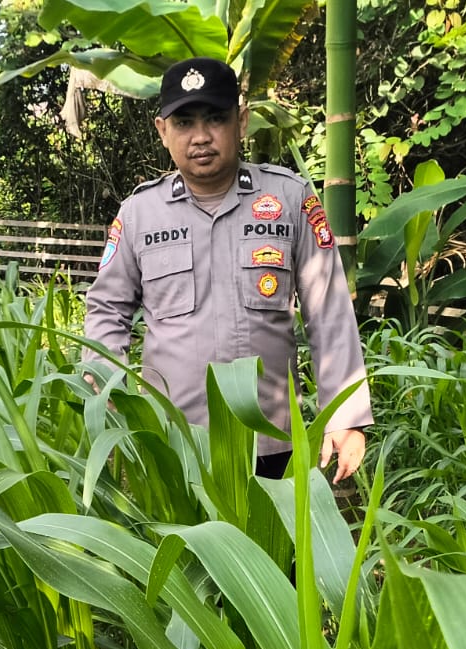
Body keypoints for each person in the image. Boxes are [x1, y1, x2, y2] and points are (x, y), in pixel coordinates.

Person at [83, 56, 372, 483]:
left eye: (215, 118)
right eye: (184, 123)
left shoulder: (289, 200)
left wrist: (345, 416)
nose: (200, 136)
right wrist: (106, 390)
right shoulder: (140, 214)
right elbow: (107, 308)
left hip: (273, 441)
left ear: (241, 122)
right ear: (162, 130)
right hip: (174, 440)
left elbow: (329, 312)